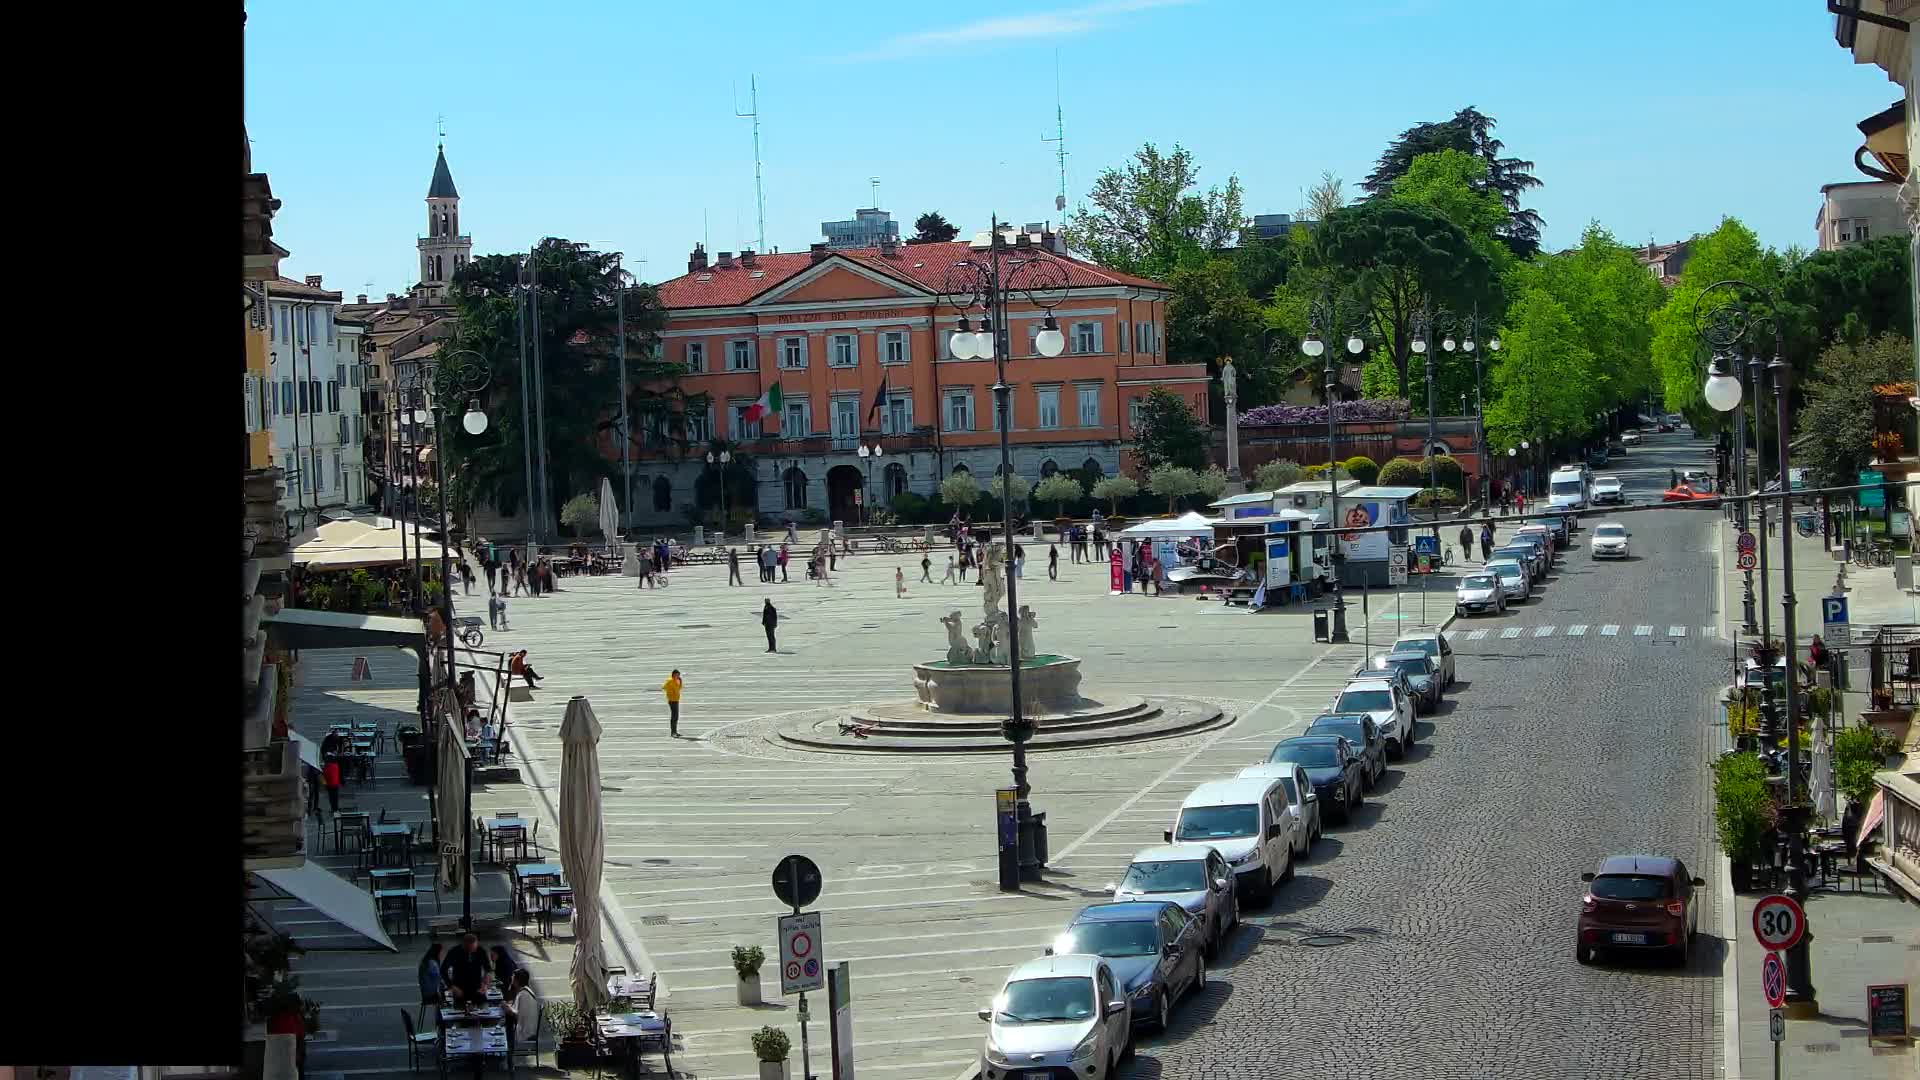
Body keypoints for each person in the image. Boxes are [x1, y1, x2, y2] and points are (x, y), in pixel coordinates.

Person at [443, 933, 491, 1004]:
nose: (471, 951)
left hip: (477, 987)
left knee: (482, 1010)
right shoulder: (454, 951)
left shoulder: (481, 951)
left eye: (473, 949)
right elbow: (443, 970)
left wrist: (485, 983)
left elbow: (488, 969)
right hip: (459, 987)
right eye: (468, 949)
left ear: (476, 944)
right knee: (459, 1011)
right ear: (463, 945)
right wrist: (451, 986)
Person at [505, 969, 538, 1048]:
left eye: (513, 977)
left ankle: (509, 1051)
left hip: (526, 1032)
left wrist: (507, 1008)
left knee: (506, 1027)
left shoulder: (523, 995)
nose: (511, 979)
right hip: (528, 1028)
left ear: (517, 981)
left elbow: (518, 1016)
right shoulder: (525, 991)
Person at [419, 943, 446, 1011]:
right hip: (431, 994)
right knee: (450, 996)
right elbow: (439, 977)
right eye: (441, 952)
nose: (441, 954)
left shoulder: (426, 961)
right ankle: (442, 1019)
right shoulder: (432, 963)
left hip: (426, 992)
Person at [662, 668, 683, 737]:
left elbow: (679, 688)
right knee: (674, 716)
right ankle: (673, 733)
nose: (678, 676)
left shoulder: (678, 680)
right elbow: (664, 687)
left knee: (676, 716)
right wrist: (670, 692)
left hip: (676, 700)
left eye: (678, 675)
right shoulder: (670, 681)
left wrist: (680, 682)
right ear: (673, 675)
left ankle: (675, 731)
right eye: (676, 675)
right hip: (671, 700)